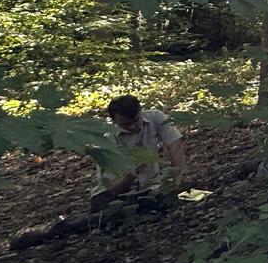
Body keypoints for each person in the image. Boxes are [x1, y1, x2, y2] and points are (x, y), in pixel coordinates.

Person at [11, 95, 188, 250]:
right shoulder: (107, 141)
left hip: (148, 189)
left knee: (162, 204)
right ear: (114, 121)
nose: (134, 127)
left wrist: (174, 182)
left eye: (137, 120)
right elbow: (113, 189)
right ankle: (53, 229)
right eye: (126, 124)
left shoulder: (155, 117)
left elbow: (175, 147)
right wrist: (130, 174)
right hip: (109, 195)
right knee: (113, 216)